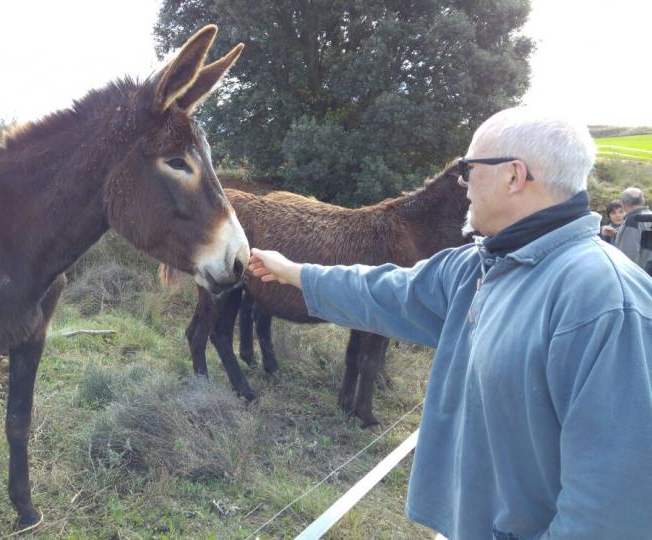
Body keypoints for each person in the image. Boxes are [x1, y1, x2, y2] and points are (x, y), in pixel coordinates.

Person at [248, 107, 652, 540]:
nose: (462, 183)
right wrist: (296, 273)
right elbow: (387, 291)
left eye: (469, 169)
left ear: (514, 176)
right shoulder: (480, 267)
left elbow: (612, 510)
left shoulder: (606, 302)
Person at [613, 187, 652, 270]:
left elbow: (629, 253)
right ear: (642, 201)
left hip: (641, 275)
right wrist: (616, 233)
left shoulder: (633, 221)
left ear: (623, 204)